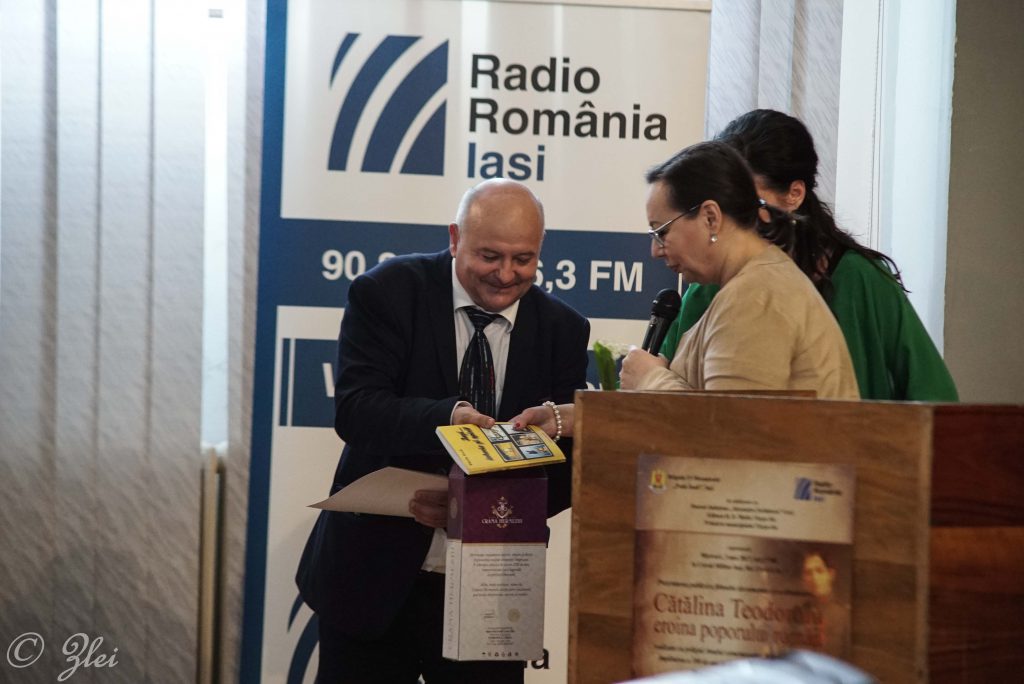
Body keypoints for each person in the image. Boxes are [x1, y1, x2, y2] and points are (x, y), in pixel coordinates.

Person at [296, 178, 590, 683]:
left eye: (523, 259)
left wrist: (477, 512)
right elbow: (357, 410)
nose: (506, 274)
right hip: (372, 580)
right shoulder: (388, 291)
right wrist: (448, 418)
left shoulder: (563, 328)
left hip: (491, 590)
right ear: (455, 239)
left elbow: (565, 465)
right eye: (489, 256)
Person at [511, 141, 859, 437]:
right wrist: (566, 418)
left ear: (710, 217)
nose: (655, 250)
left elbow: (730, 436)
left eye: (661, 232)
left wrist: (651, 379)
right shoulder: (752, 284)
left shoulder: (755, 296)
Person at [660, 109, 958, 401]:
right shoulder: (709, 284)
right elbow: (671, 389)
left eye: (749, 202)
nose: (733, 217)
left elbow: (936, 398)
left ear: (795, 194)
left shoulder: (860, 279)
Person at [791, 550, 850, 658]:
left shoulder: (844, 616)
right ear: (804, 579)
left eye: (819, 571)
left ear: (831, 574)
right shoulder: (797, 615)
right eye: (808, 573)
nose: (814, 578)